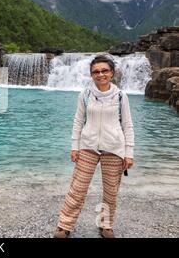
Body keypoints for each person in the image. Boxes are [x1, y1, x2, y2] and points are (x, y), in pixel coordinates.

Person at [54, 55, 135, 238]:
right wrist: (75, 146)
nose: (100, 74)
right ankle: (64, 225)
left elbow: (127, 125)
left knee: (110, 191)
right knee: (78, 188)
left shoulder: (121, 96)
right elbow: (78, 121)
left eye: (104, 70)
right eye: (96, 71)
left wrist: (128, 152)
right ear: (91, 75)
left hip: (114, 149)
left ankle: (106, 225)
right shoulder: (85, 95)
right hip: (87, 146)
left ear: (112, 73)